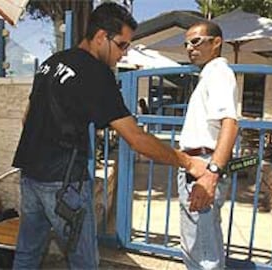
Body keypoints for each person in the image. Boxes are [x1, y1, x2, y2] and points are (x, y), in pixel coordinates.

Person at [12, 3, 205, 269]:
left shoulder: (51, 62)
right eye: (122, 45)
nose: (124, 54)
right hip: (64, 183)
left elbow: (27, 117)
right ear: (101, 36)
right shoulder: (97, 74)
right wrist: (187, 161)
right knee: (84, 262)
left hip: (30, 174)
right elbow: (135, 138)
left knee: (26, 253)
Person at [177, 21, 239, 269]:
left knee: (201, 252)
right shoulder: (209, 76)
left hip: (202, 168)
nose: (190, 48)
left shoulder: (218, 73)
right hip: (198, 166)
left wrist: (212, 173)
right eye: (186, 44)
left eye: (196, 41)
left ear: (216, 42)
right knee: (204, 244)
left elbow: (230, 124)